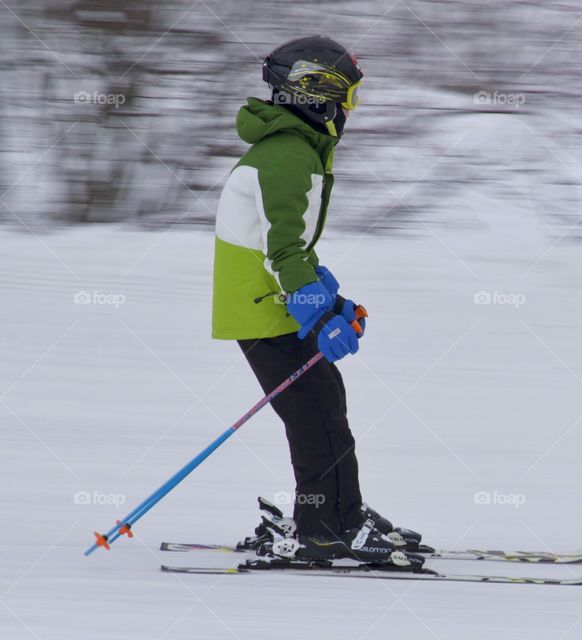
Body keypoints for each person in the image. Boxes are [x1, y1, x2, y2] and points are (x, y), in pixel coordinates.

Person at [211, 35, 420, 568]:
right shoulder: (288, 156)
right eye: (347, 96)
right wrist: (317, 311)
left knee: (325, 411)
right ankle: (323, 528)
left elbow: (292, 251)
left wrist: (332, 301)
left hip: (270, 304)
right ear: (315, 94)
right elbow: (283, 252)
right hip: (265, 311)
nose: (350, 110)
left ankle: (342, 514)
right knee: (317, 420)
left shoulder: (291, 150)